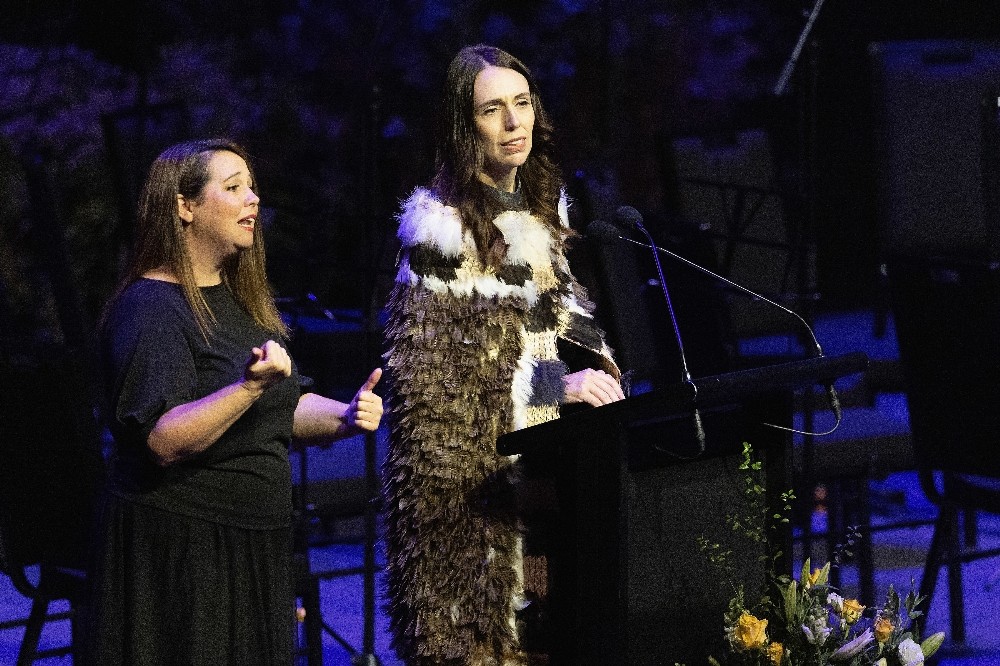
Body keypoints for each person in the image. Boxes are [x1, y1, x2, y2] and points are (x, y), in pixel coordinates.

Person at [83, 138, 383, 665]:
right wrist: (248, 388)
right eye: (233, 187)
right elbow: (163, 438)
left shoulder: (240, 304)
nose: (253, 200)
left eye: (252, 187)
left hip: (254, 542)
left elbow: (279, 410)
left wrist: (343, 416)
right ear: (184, 206)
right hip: (184, 550)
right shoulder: (151, 308)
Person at [382, 45, 625, 665]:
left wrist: (594, 376)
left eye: (522, 104)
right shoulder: (440, 236)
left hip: (550, 486)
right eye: (493, 110)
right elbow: (449, 394)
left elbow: (553, 338)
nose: (514, 123)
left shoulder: (540, 217)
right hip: (472, 517)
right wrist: (560, 392)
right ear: (466, 129)